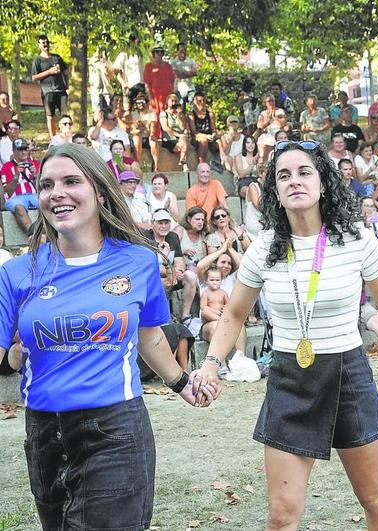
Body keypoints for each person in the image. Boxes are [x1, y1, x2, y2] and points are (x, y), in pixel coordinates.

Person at [194, 140, 378, 529]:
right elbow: (233, 314)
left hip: (348, 374)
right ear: (275, 192)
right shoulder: (263, 247)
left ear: (323, 183)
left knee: (374, 498)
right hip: (289, 379)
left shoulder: (355, 239)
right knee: (281, 515)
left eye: (304, 172)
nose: (294, 181)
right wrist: (212, 364)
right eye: (284, 175)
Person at [0, 144, 216, 530]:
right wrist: (14, 355)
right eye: (47, 185)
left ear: (99, 191)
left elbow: (150, 338)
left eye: (71, 181)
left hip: (115, 430)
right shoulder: (17, 273)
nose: (57, 193)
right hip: (44, 434)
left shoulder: (139, 260)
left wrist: (182, 383)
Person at [30, 34, 69, 139]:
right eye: (43, 43)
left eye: (47, 42)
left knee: (65, 116)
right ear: (39, 45)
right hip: (47, 91)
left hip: (61, 90)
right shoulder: (37, 60)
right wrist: (49, 71)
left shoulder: (57, 57)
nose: (46, 44)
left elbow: (66, 71)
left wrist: (67, 85)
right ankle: (53, 139)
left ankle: (66, 137)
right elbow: (34, 77)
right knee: (50, 116)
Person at [1, 138, 40, 234]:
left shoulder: (35, 164)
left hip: (33, 195)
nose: (23, 152)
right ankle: (33, 235)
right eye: (20, 150)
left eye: (25, 149)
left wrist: (35, 175)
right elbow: (8, 192)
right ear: (14, 151)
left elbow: (42, 189)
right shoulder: (7, 166)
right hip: (15, 198)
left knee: (47, 204)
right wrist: (16, 175)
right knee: (19, 208)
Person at [174, 206, 208, 272]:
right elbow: (169, 252)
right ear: (189, 219)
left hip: (199, 272)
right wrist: (183, 252)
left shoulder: (202, 235)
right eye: (197, 219)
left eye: (202, 220)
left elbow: (205, 258)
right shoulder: (180, 230)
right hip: (181, 272)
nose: (200, 222)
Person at [188, 92, 217, 164]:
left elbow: (214, 129)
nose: (202, 103)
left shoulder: (210, 114)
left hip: (209, 136)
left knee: (222, 141)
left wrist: (213, 135)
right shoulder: (191, 114)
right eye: (199, 101)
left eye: (203, 100)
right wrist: (205, 136)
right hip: (198, 136)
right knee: (203, 141)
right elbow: (194, 131)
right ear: (195, 102)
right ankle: (201, 164)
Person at [170, 42, 198, 107]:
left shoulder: (191, 61)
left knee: (194, 106)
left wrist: (183, 72)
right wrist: (189, 73)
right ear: (177, 51)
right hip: (178, 89)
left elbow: (195, 72)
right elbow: (176, 74)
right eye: (181, 50)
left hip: (190, 88)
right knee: (180, 108)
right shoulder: (173, 62)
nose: (183, 52)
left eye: (185, 50)